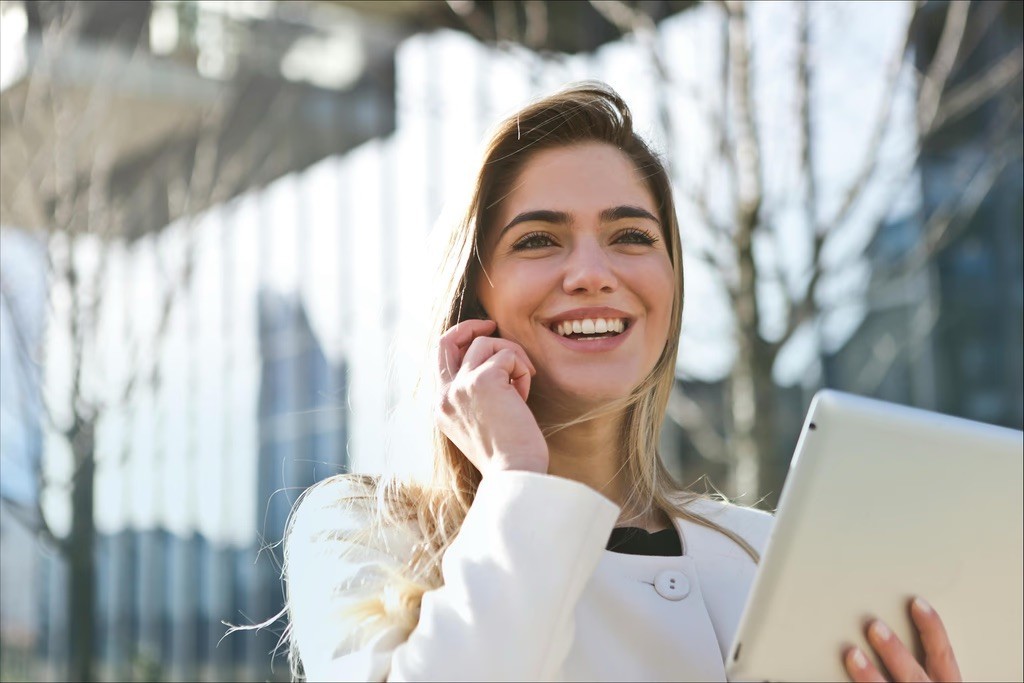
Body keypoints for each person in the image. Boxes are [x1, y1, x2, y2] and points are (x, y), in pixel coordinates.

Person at [282, 83, 962, 682]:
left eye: (631, 236)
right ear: (472, 296)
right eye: (539, 240)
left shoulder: (763, 551)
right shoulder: (358, 532)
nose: (592, 272)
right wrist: (519, 480)